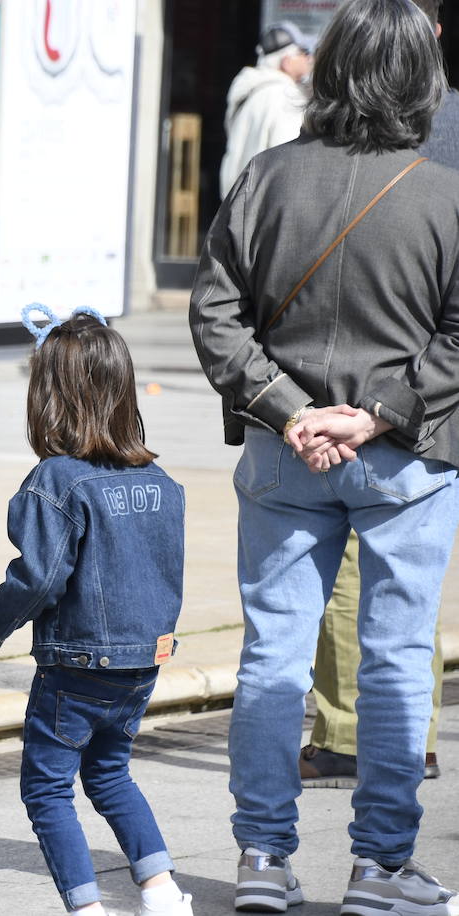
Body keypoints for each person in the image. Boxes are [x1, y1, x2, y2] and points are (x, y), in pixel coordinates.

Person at [190, 0, 459, 911]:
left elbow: (215, 317)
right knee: (393, 659)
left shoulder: (267, 178)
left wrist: (293, 409)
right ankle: (381, 866)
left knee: (273, 656)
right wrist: (373, 415)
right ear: (421, 81)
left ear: (332, 67)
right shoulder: (444, 194)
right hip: (406, 461)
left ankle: (262, 859)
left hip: (281, 454)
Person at [0, 309, 190, 916]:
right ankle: (163, 894)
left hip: (77, 664)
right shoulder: (160, 480)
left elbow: (38, 577)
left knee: (47, 787)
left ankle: (87, 908)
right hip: (145, 661)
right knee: (111, 775)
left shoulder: (55, 481)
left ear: (49, 399)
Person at [300, 0, 452, 790]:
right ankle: (408, 737)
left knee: (355, 568)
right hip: (437, 393)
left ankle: (351, 736)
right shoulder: (447, 117)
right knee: (412, 583)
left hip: (368, 388)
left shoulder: (382, 130)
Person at [219, 21, 313, 200]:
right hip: (264, 210)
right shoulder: (285, 97)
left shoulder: (249, 91)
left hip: (236, 205)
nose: (309, 58)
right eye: (303, 53)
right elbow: (289, 163)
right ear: (286, 61)